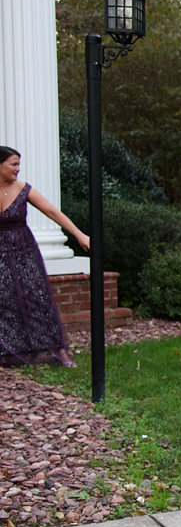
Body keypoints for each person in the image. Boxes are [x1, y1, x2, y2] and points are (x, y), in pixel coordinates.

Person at [0, 146, 89, 367]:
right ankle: (9, 350)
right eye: (13, 164)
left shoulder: (23, 189)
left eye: (18, 164)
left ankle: (59, 350)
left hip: (23, 252)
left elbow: (52, 212)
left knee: (36, 298)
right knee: (4, 299)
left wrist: (79, 234)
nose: (18, 169)